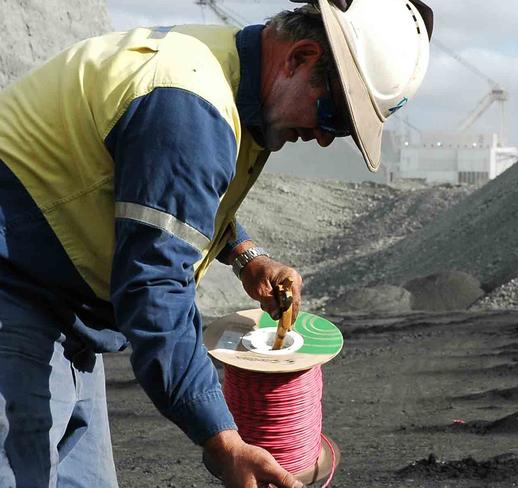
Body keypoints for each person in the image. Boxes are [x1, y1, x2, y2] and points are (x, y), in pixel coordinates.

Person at [0, 0, 432, 486]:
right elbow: (154, 288)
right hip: (17, 294)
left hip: (65, 310)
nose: (325, 138)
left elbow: (167, 192)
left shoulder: (224, 79)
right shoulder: (189, 103)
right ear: (299, 58)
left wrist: (247, 255)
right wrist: (221, 440)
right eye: (332, 115)